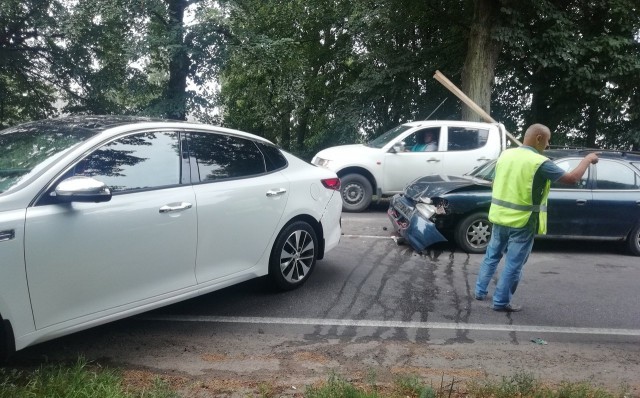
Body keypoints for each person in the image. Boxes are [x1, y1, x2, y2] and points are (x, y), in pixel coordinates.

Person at [474, 124, 599, 312]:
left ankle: (479, 291)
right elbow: (572, 178)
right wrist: (587, 159)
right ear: (539, 138)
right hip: (522, 220)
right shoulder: (539, 162)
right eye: (548, 140)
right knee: (513, 264)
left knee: (492, 256)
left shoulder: (505, 155)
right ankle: (500, 302)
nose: (548, 146)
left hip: (499, 216)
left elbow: (495, 181)